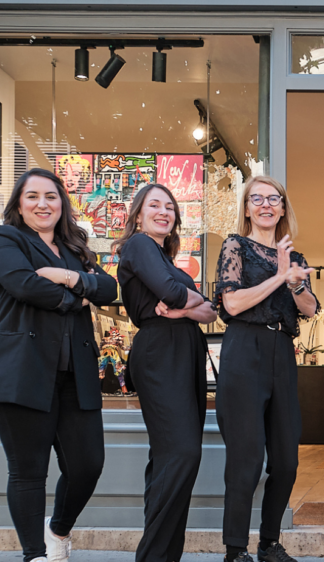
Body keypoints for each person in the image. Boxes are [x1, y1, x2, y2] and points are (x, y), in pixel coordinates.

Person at [0, 168, 119, 562]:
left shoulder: (75, 250)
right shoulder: (3, 238)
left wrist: (67, 275)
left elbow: (109, 288)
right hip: (20, 372)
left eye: (51, 197)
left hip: (76, 373)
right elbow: (25, 285)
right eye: (33, 196)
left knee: (88, 464)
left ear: (62, 204)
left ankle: (58, 529)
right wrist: (79, 294)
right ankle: (35, 555)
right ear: (19, 205)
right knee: (29, 470)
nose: (43, 204)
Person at [214, 176, 319, 562]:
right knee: (246, 458)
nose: (265, 205)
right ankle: (235, 549)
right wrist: (279, 275)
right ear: (246, 209)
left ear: (282, 207)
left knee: (287, 460)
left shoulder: (296, 257)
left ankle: (270, 543)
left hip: (281, 352)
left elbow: (309, 308)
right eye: (256, 199)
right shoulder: (235, 245)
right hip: (244, 349)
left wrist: (293, 280)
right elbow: (233, 304)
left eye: (273, 199)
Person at [115, 183, 218, 562]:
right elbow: (176, 295)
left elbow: (209, 311)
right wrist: (185, 301)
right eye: (153, 205)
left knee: (169, 457)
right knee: (182, 453)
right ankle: (154, 556)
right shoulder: (140, 245)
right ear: (138, 215)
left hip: (183, 351)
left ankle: (163, 555)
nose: (163, 211)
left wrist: (184, 306)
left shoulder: (165, 259)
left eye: (169, 206)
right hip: (160, 353)